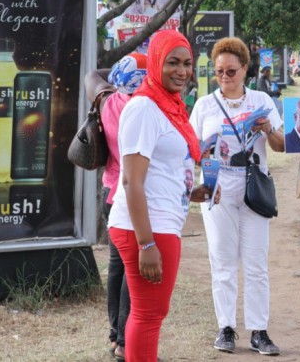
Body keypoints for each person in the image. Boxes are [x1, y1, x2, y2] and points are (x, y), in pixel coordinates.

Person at [107, 30, 219, 362]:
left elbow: (161, 172)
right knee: (148, 315)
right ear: (156, 63)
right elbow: (131, 181)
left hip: (159, 220)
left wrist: (193, 192)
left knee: (151, 313)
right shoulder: (144, 107)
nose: (182, 71)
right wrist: (146, 244)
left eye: (187, 63)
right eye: (172, 62)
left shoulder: (167, 106)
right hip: (146, 227)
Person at [189, 37, 285, 356]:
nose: (225, 77)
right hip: (218, 185)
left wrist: (268, 128)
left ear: (245, 68)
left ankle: (259, 331)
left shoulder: (261, 99)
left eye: (231, 70)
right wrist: (203, 154)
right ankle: (226, 327)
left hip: (253, 183)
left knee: (256, 262)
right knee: (223, 259)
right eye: (219, 71)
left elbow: (282, 144)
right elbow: (191, 151)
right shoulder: (204, 105)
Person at [84, 52, 147, 361]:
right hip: (130, 195)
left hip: (109, 190)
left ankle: (114, 336)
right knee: (132, 270)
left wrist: (121, 69)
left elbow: (94, 74)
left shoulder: (108, 101)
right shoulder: (140, 109)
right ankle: (124, 342)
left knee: (117, 267)